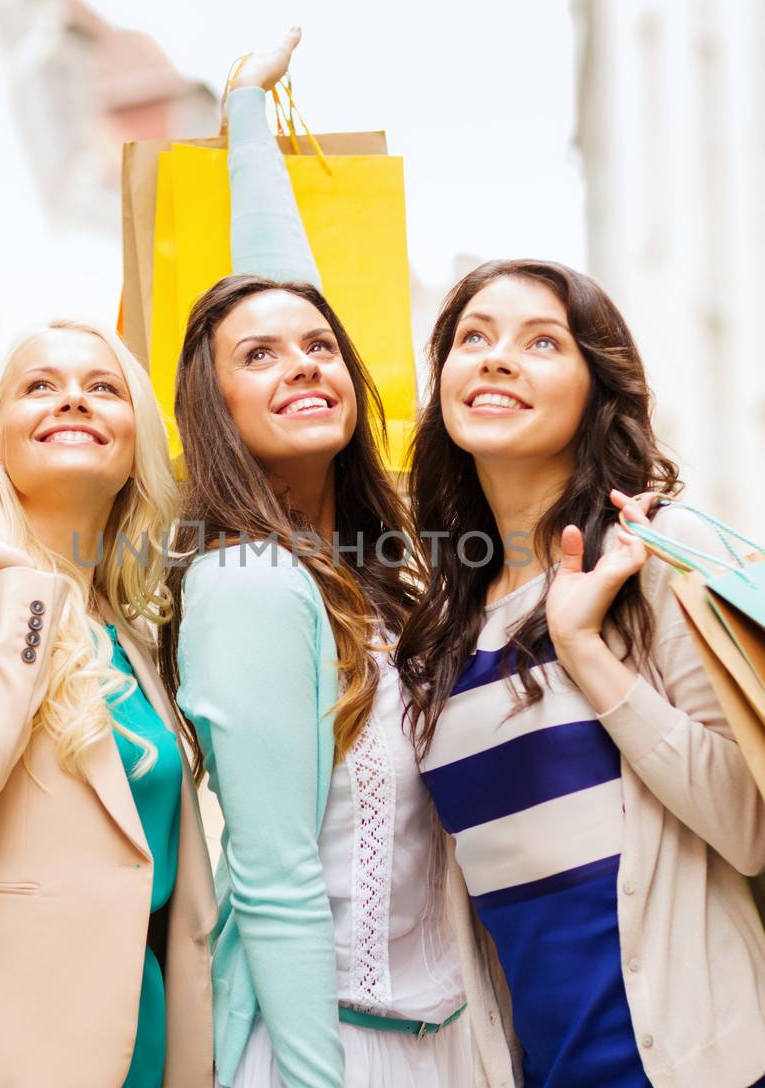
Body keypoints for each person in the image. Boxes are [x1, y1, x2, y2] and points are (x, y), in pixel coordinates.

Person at [155, 33, 510, 1088]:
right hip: (328, 1049)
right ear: (214, 409)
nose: (302, 365)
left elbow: (283, 287)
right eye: (257, 358)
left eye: (318, 348)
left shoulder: (377, 578)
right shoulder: (248, 584)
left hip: (443, 1036)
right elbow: (271, 877)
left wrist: (251, 125)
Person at [395, 260, 765, 1088]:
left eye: (542, 342)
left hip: (704, 1061)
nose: (495, 358)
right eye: (473, 338)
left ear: (597, 390)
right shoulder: (441, 625)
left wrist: (584, 649)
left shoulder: (658, 557)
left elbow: (748, 825)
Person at [0, 321, 216, 1088]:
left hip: (145, 1048)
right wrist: (16, 586)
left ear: (135, 449)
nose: (74, 401)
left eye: (104, 387)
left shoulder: (134, 637)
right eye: (40, 386)